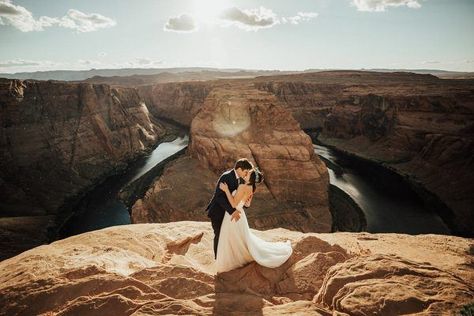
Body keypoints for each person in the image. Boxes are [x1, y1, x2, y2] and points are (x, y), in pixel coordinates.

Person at [215, 168, 293, 273]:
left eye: (248, 174)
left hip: (233, 216)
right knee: (237, 239)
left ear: (249, 177)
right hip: (240, 215)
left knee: (231, 239)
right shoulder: (251, 188)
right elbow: (247, 204)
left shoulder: (243, 186)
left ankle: (234, 262)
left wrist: (226, 190)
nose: (245, 174)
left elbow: (233, 204)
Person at [206, 158, 254, 259]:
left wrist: (244, 204)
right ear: (240, 169)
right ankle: (218, 259)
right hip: (218, 212)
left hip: (227, 213)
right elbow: (219, 197)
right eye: (245, 172)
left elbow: (237, 197)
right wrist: (232, 212)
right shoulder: (226, 176)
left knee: (228, 236)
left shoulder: (241, 179)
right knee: (219, 235)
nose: (246, 175)